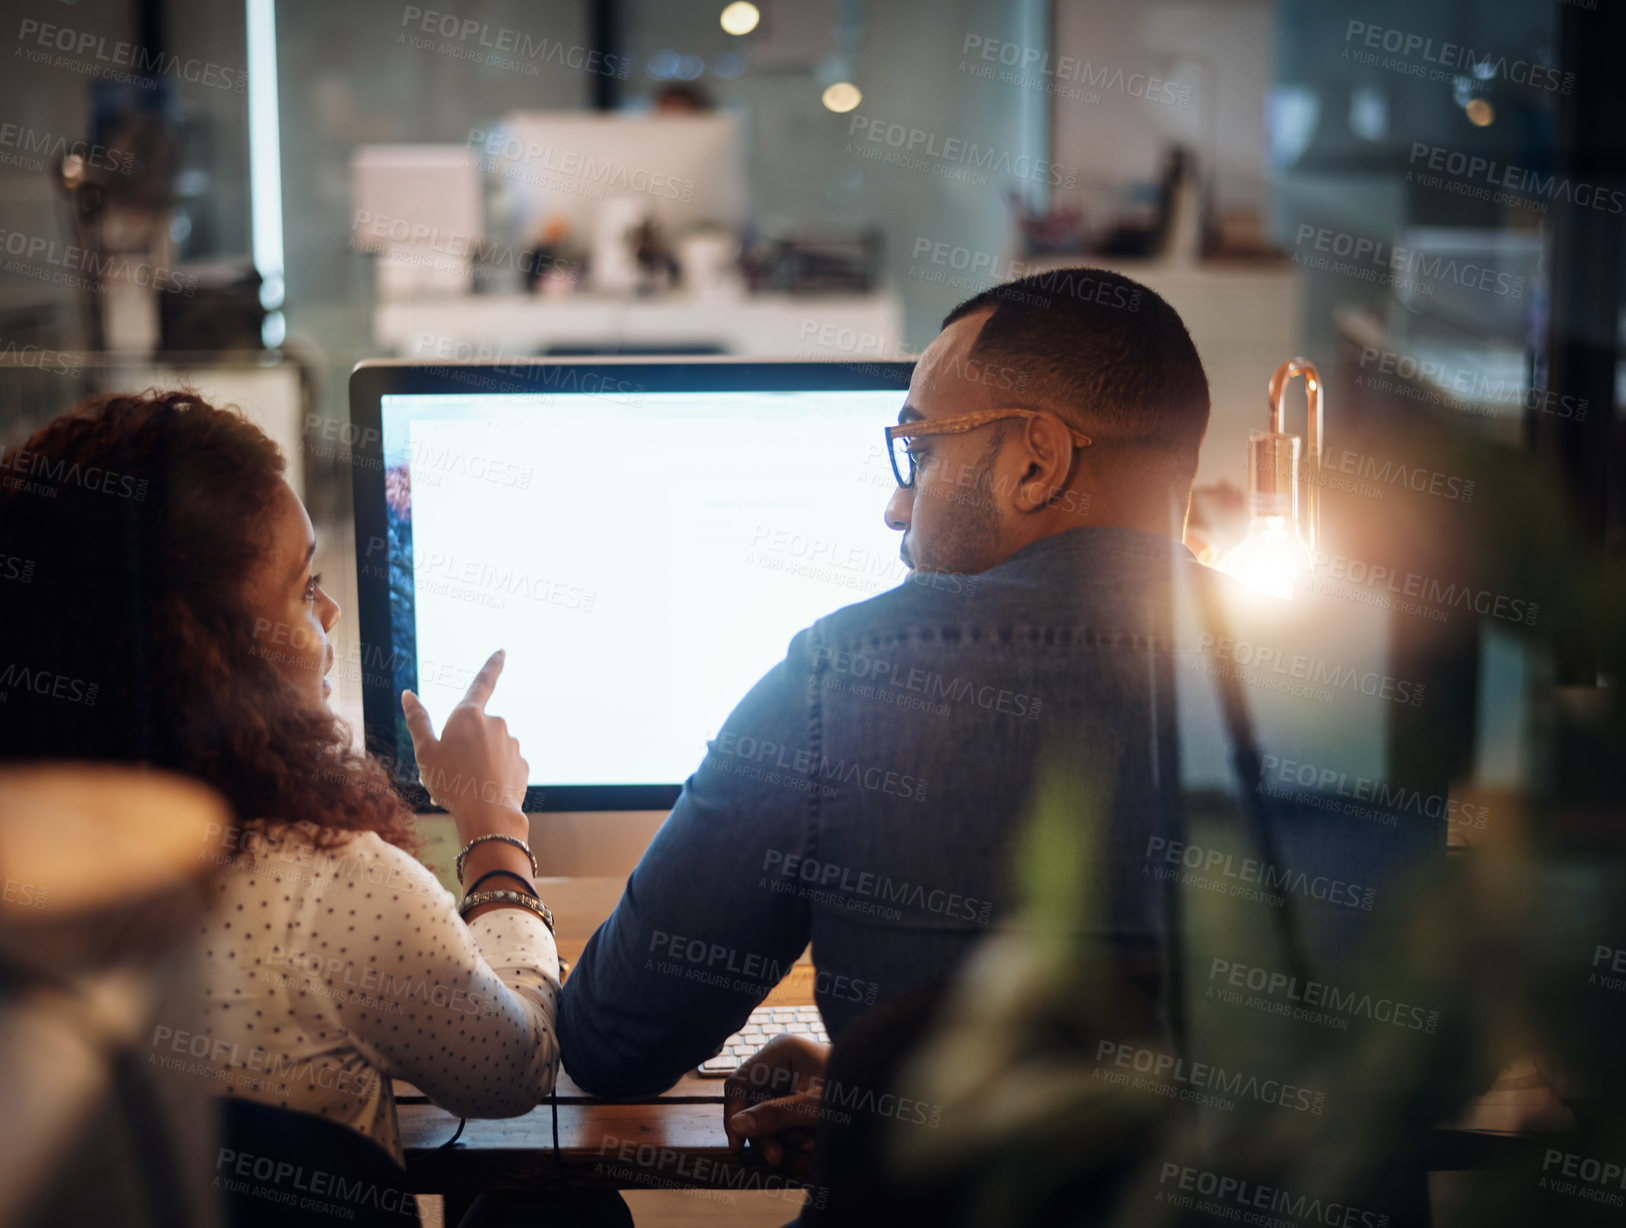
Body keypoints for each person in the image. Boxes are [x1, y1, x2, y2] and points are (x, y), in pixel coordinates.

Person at [558, 268, 1216, 1120]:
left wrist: (497, 854)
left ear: (1036, 461)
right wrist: (886, 1087)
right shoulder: (1339, 695)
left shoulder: (849, 674)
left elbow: (614, 1042)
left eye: (921, 452)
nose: (897, 507)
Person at [0, 392, 628, 1224]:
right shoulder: (337, 886)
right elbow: (513, 1073)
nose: (331, 615)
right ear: (210, 661)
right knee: (562, 1209)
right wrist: (493, 832)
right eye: (303, 589)